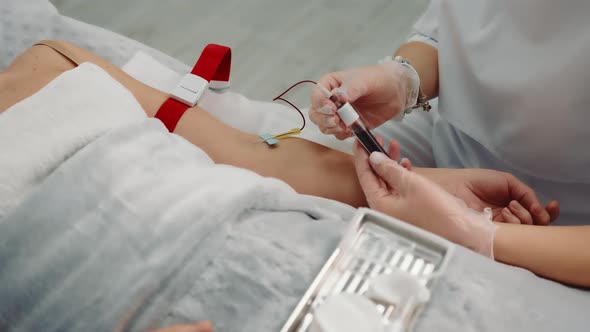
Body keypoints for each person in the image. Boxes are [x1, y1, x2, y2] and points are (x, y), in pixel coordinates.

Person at [0, 40, 556, 224]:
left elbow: (249, 151)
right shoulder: (49, 65)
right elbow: (462, 25)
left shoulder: (49, 65)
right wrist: (403, 78)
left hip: (550, 224)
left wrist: (485, 235)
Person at [310, 0, 589, 286]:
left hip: (563, 239)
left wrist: (479, 235)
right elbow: (446, 32)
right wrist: (402, 79)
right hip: (449, 135)